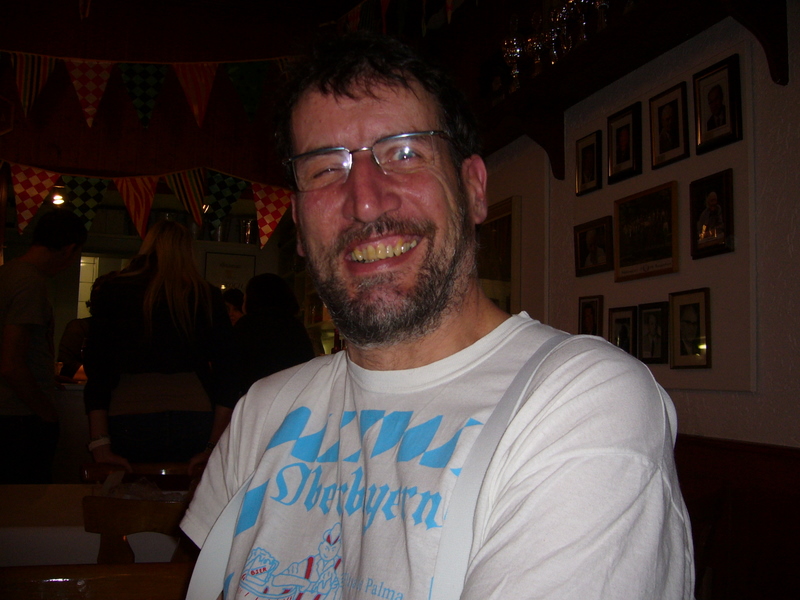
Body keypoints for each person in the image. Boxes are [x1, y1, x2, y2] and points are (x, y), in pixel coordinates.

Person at [182, 33, 694, 599]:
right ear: (299, 225)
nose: (365, 200)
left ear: (473, 189)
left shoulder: (580, 405)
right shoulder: (265, 412)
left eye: (404, 153)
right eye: (325, 169)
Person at [83, 220, 240, 475]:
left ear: (147, 246)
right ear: (187, 251)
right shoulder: (205, 295)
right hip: (194, 412)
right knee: (187, 495)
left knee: (130, 494)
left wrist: (99, 441)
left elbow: (98, 369)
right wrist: (213, 445)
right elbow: (229, 373)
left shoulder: (114, 290)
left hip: (128, 411)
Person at [0, 208, 87, 483]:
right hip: (18, 415)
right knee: (26, 499)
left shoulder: (7, 274)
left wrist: (46, 376)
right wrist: (46, 413)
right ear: (69, 249)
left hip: (14, 411)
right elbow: (11, 364)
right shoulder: (30, 283)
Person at [233, 273, 315, 394]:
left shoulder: (246, 326)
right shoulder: (295, 326)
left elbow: (233, 371)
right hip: (291, 396)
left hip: (255, 396)